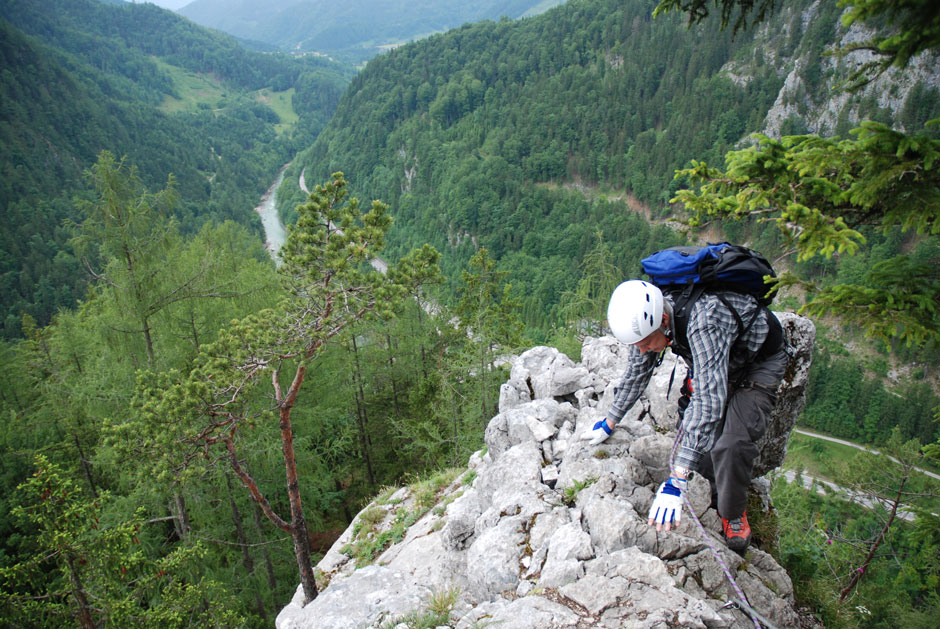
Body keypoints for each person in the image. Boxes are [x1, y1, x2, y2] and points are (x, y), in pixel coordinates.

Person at [581, 279, 788, 552]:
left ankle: (733, 512)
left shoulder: (704, 322)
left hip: (759, 362)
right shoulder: (650, 324)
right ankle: (709, 490)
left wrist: (677, 480)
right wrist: (610, 420)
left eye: (644, 344)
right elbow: (636, 374)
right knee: (699, 451)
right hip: (720, 359)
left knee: (732, 443)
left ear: (663, 319)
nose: (642, 350)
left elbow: (708, 399)